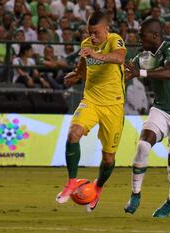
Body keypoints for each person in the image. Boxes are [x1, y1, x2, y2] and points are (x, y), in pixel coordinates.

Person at [55, 11, 126, 212]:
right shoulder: (86, 44)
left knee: (108, 158)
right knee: (73, 133)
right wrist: (76, 75)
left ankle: (98, 188)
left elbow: (119, 59)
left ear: (106, 29)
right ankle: (71, 182)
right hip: (91, 100)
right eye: (90, 33)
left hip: (114, 106)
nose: (93, 37)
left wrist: (97, 54)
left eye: (96, 33)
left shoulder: (115, 40)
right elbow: (84, 67)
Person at [124, 19, 170, 218]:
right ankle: (135, 194)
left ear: (155, 35)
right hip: (160, 110)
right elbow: (126, 70)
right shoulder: (143, 57)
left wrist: (141, 73)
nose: (139, 38)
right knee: (143, 146)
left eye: (143, 34)